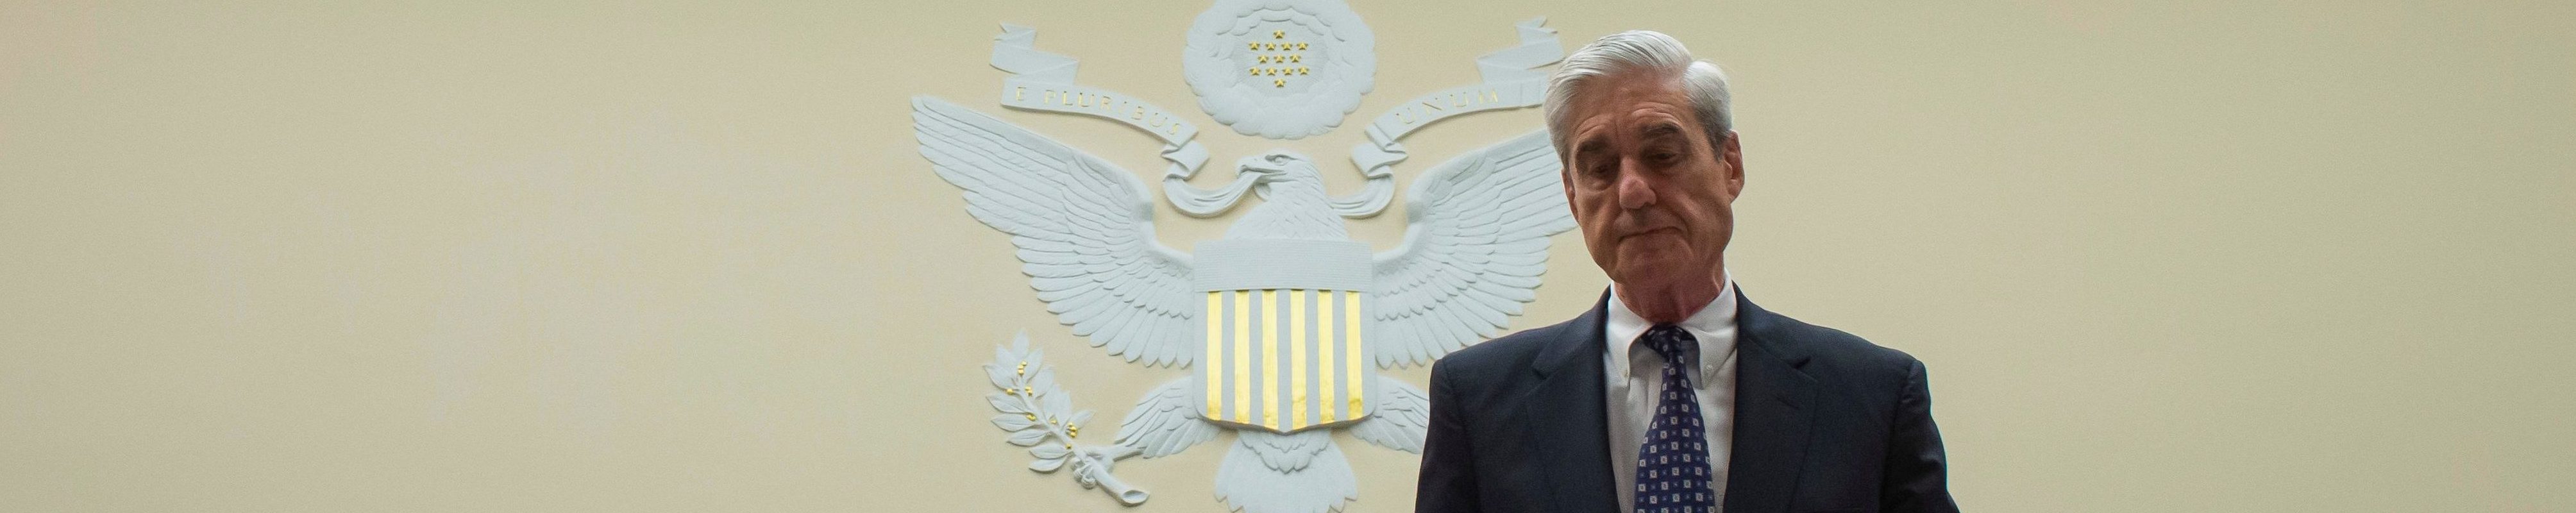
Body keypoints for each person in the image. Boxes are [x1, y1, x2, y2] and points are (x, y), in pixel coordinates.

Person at [1413, 30, 1959, 513]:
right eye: (1600, 169)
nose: (1632, 191)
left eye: (1662, 155)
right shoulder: (1480, 400)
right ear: (1572, 197)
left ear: (1730, 166)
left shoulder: (1870, 395)